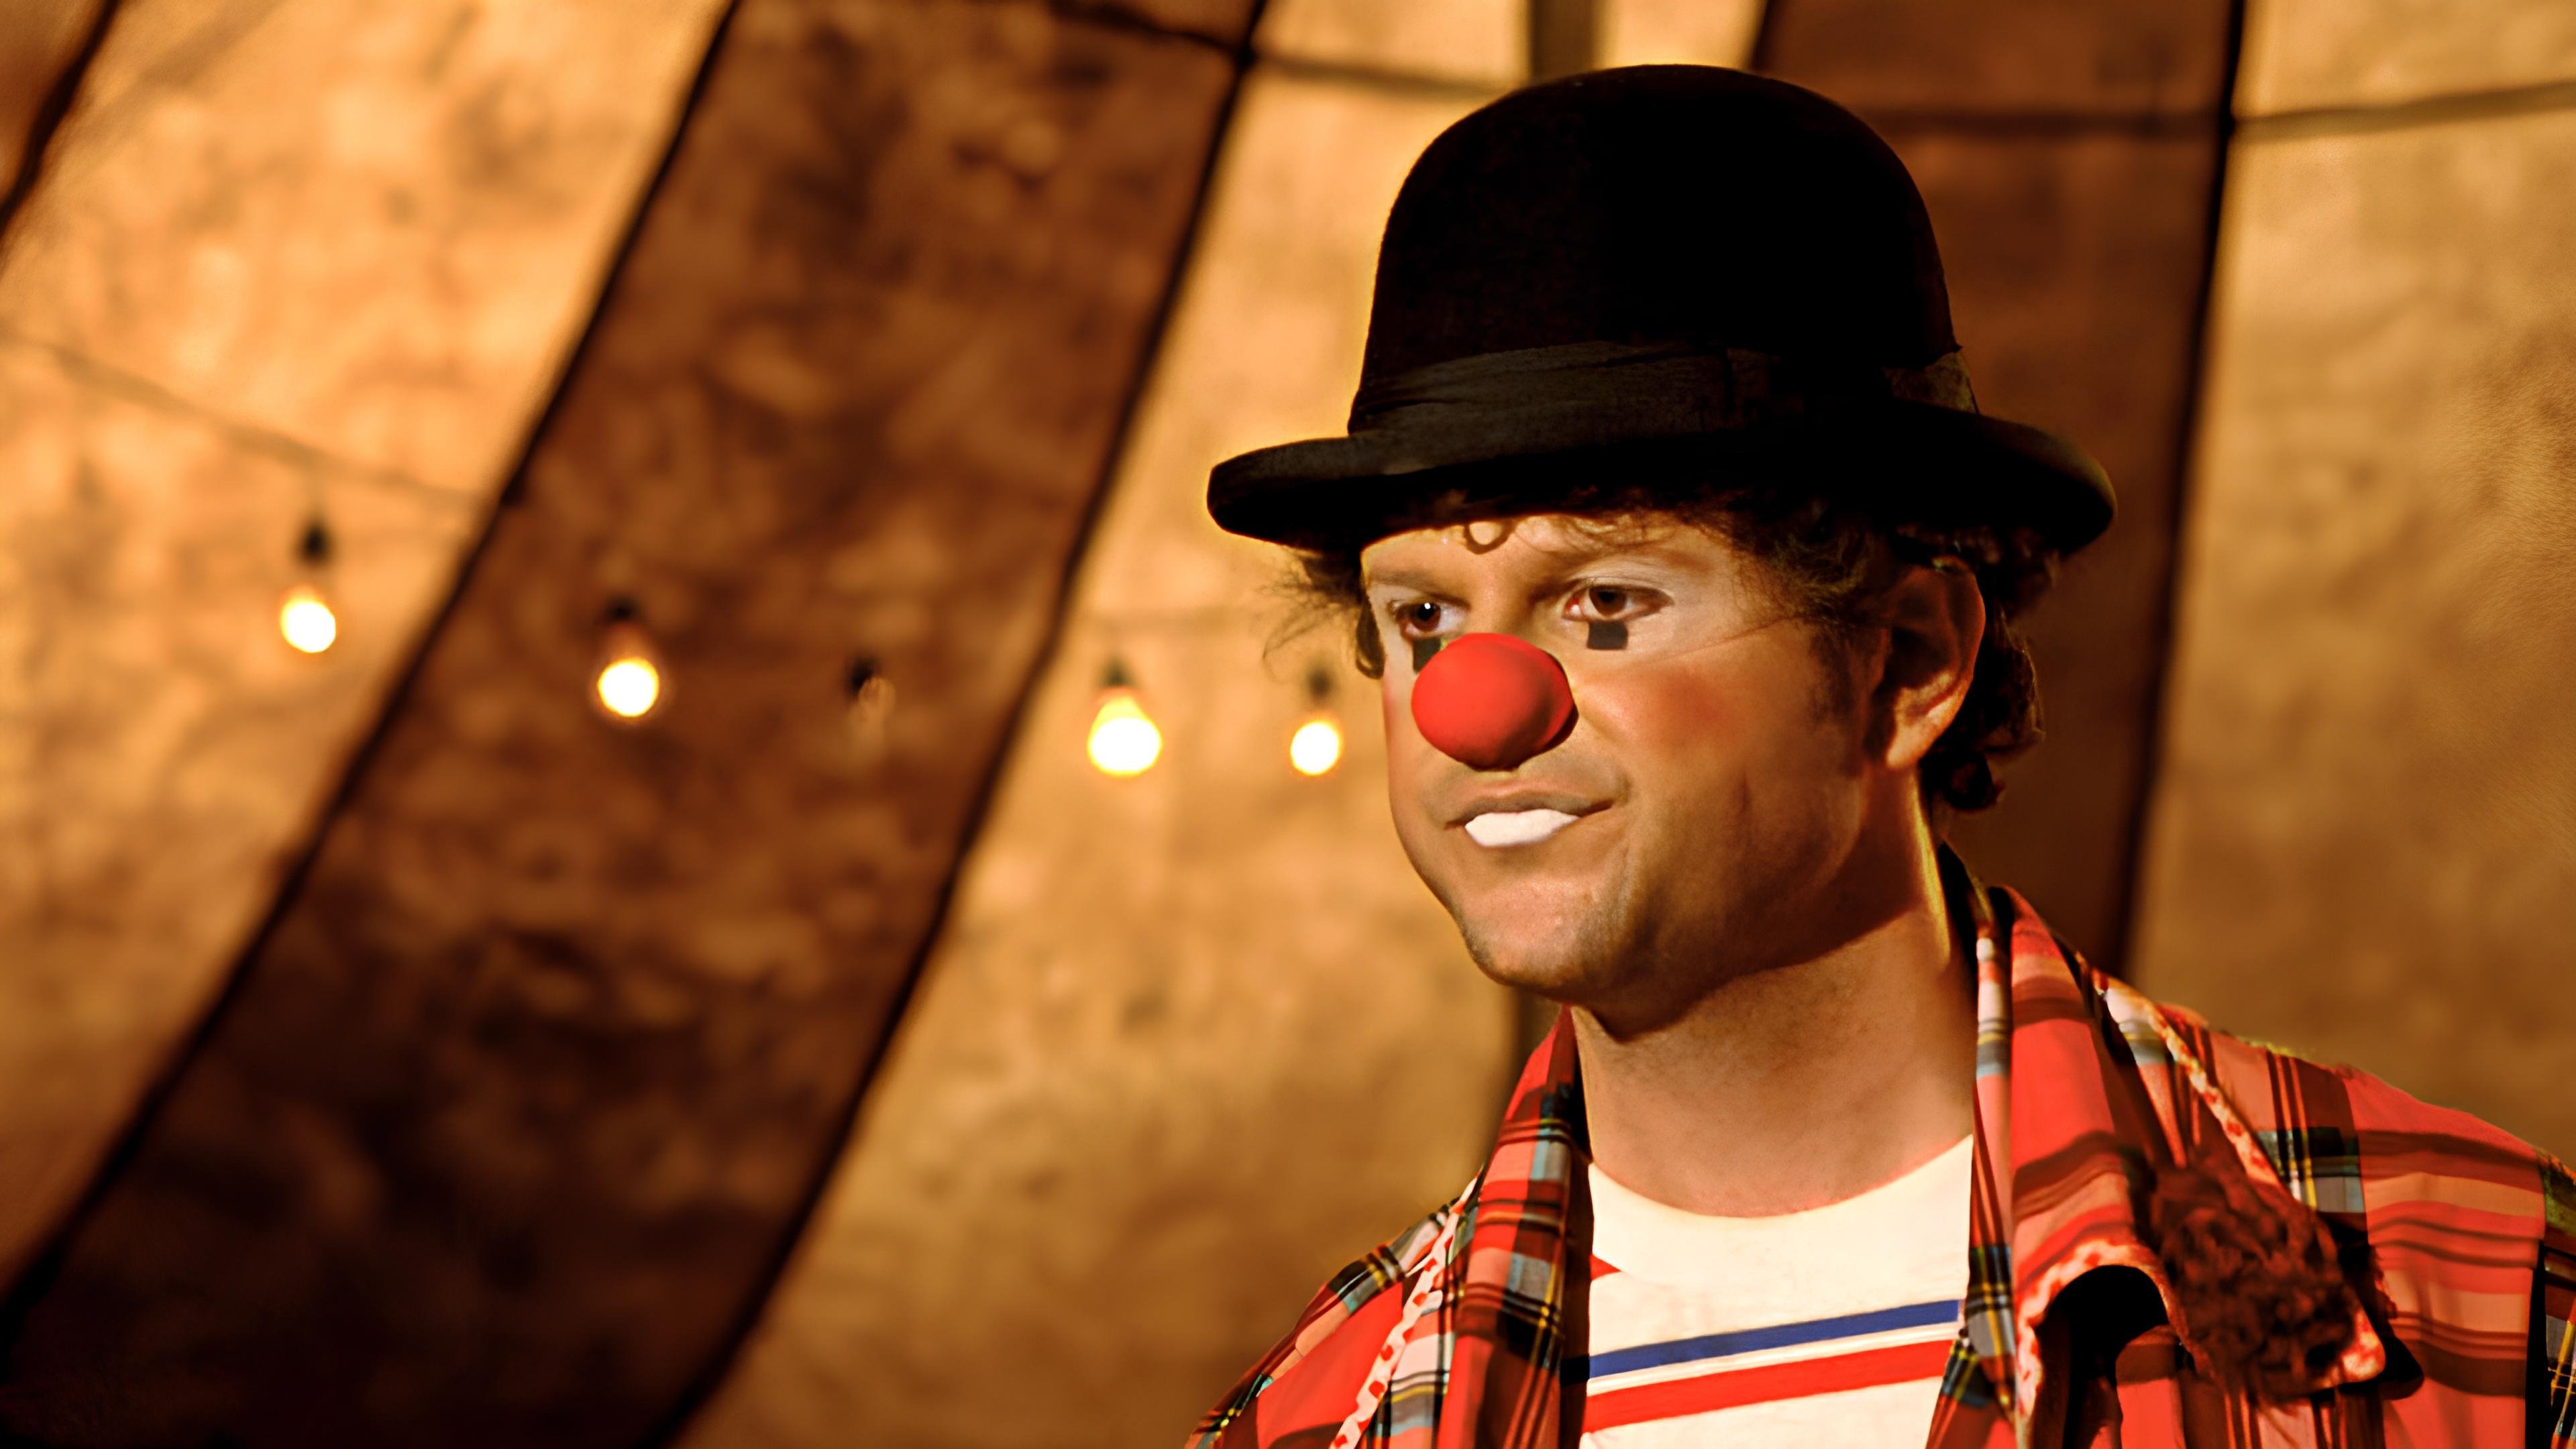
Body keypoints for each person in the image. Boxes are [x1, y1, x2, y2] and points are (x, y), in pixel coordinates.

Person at [1183, 66, 2574, 1449]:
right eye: (1422, 620)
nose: (1471, 709)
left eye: (1605, 605)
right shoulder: (1309, 1424)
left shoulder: (2484, 1309)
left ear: (1907, 663)